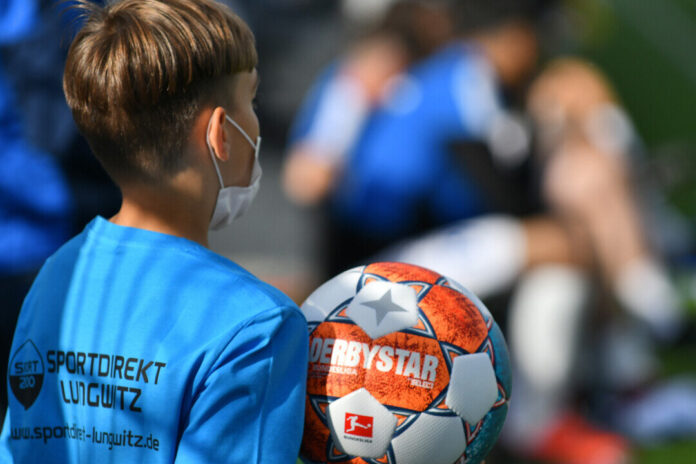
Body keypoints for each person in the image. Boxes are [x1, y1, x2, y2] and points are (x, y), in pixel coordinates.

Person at [0, 1, 308, 463]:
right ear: (220, 134)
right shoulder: (259, 326)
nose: (257, 121)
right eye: (252, 99)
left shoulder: (54, 277)